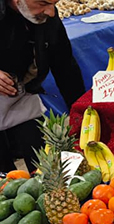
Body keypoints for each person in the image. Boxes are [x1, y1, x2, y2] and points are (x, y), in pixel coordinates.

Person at [0, 0, 84, 172]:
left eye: (54, 3)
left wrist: (80, 115)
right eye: (43, 3)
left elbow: (65, 67)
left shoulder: (47, 17)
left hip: (22, 98)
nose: (51, 12)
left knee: (43, 163)